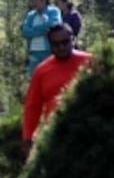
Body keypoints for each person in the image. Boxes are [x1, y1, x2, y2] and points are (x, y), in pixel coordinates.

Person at [22, 24, 92, 156]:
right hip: (55, 136)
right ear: (50, 45)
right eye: (56, 44)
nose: (61, 47)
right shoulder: (42, 71)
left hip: (88, 135)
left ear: (73, 39)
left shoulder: (90, 62)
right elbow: (32, 107)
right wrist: (27, 138)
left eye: (65, 42)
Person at [21, 0, 62, 77]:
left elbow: (54, 24)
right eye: (32, 0)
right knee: (33, 77)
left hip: (48, 51)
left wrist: (34, 29)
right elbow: (25, 32)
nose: (33, 3)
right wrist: (41, 30)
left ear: (44, 0)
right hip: (34, 51)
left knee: (49, 76)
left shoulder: (53, 11)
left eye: (36, 0)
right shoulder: (31, 15)